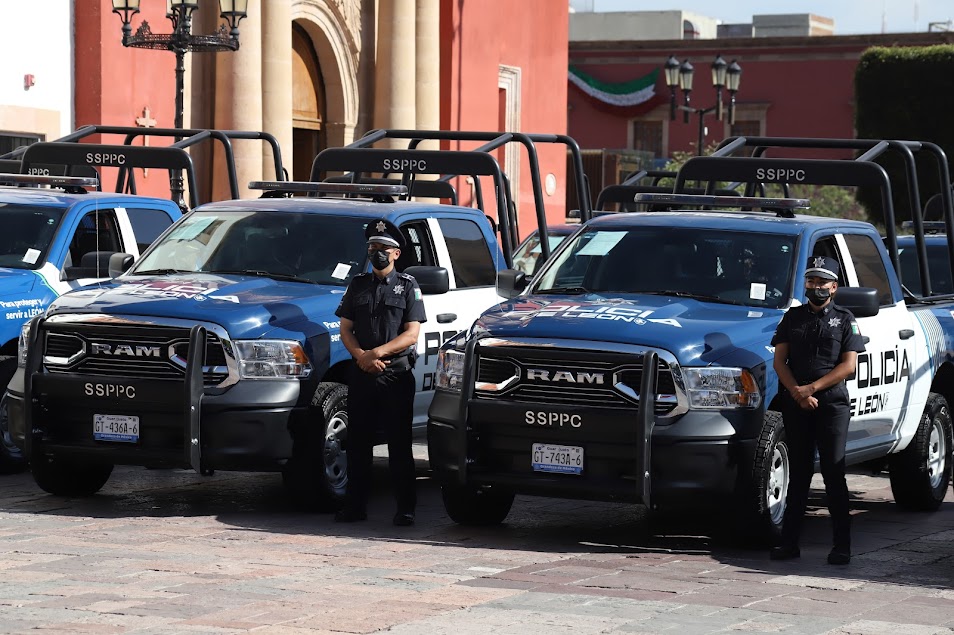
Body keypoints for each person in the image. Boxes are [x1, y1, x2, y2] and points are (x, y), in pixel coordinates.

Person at [770, 256, 866, 565]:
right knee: (798, 475)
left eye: (822, 282)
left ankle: (841, 546)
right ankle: (789, 544)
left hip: (831, 405)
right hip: (797, 403)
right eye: (811, 281)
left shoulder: (845, 319)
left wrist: (812, 389)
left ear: (834, 287)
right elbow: (779, 361)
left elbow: (848, 366)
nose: (816, 287)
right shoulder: (793, 317)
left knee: (834, 474)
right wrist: (798, 394)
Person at [334, 218, 427, 526]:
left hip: (395, 376)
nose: (377, 252)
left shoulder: (408, 286)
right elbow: (345, 328)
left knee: (399, 445)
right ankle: (355, 507)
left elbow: (411, 334)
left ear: (396, 253)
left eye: (384, 248)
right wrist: (361, 356)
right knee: (358, 444)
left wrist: (378, 353)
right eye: (373, 247)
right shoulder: (358, 285)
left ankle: (405, 509)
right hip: (362, 374)